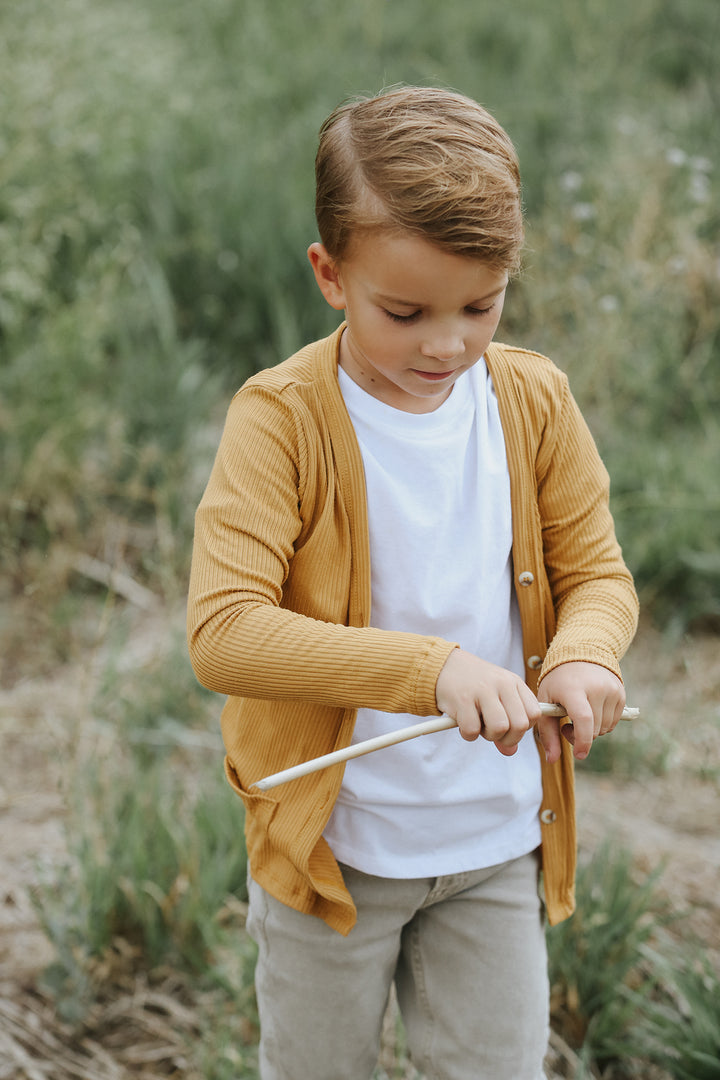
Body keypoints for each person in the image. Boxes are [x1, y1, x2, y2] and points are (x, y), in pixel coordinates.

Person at [187, 85, 639, 1080]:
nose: (447, 343)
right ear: (330, 275)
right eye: (407, 311)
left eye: (480, 306)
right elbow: (223, 632)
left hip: (493, 844)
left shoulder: (533, 399)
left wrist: (581, 654)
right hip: (333, 857)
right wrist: (432, 673)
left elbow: (597, 574)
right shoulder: (281, 419)